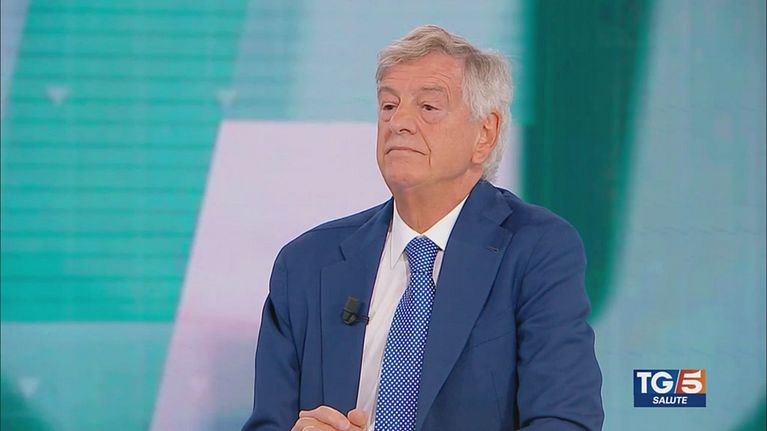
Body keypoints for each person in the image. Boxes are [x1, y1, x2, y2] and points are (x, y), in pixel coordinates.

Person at [242, 25, 603, 431]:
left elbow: (565, 420)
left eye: (428, 107)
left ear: (484, 134)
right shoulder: (306, 264)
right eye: (388, 106)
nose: (399, 122)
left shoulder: (536, 249)